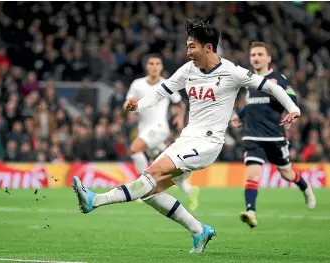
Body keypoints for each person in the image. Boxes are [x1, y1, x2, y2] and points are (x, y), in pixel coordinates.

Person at [72, 20, 301, 253]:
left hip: (208, 143)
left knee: (151, 174)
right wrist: (138, 106)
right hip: (186, 139)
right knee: (151, 192)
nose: (188, 51)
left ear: (208, 48)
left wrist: (294, 108)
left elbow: (271, 87)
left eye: (192, 46)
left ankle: (95, 201)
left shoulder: (231, 72)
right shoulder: (188, 70)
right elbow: (162, 91)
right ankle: (199, 230)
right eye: (187, 46)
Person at [231, 42, 316, 228]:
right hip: (252, 137)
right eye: (253, 54)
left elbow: (291, 97)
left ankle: (305, 187)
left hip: (275, 137)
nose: (256, 57)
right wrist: (240, 116)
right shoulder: (249, 80)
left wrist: (290, 110)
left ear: (269, 58)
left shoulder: (278, 78)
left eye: (260, 54)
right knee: (252, 175)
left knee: (286, 173)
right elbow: (253, 103)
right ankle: (251, 212)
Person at [126, 54, 199, 211]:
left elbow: (180, 104)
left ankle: (141, 188)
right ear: (146, 66)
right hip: (144, 130)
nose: (154, 66)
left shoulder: (167, 84)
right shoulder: (137, 84)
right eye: (151, 63)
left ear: (161, 67)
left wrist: (180, 117)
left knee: (134, 149)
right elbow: (128, 102)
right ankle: (190, 192)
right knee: (167, 167)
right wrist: (129, 107)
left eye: (157, 64)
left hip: (159, 128)